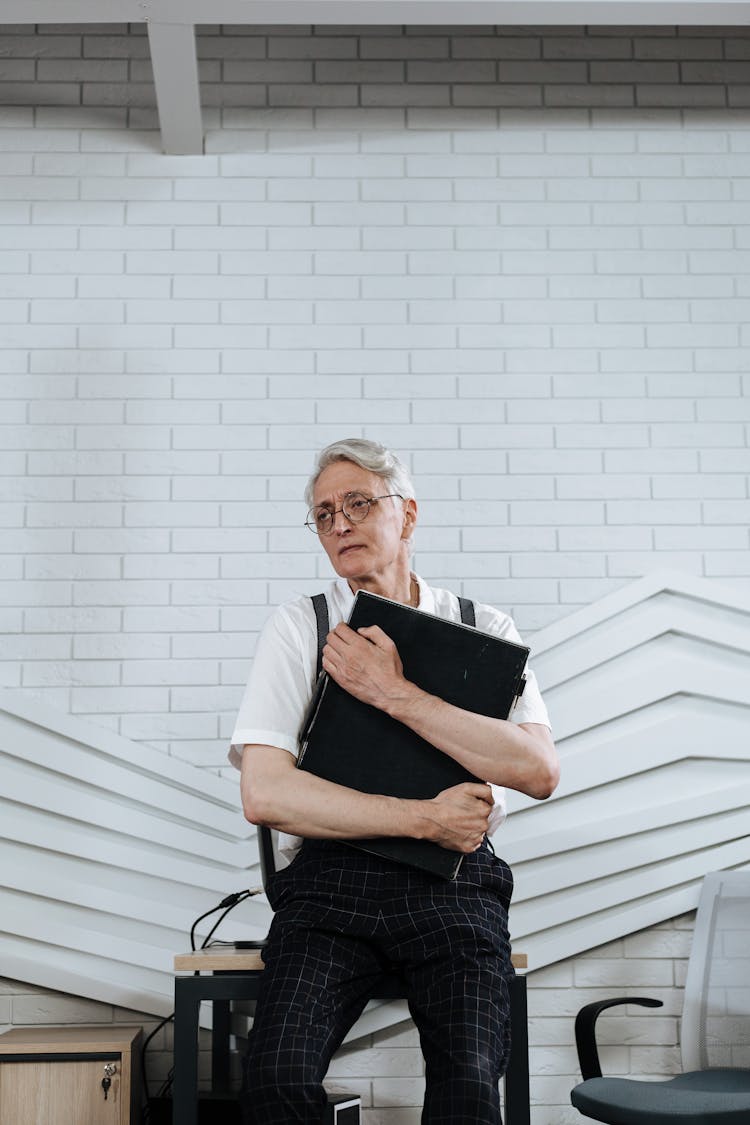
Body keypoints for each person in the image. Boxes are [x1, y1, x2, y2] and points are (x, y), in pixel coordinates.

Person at [230, 437, 559, 1125]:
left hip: (455, 892)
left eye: (357, 503)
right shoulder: (301, 626)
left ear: (407, 515)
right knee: (274, 1080)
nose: (340, 523)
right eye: (323, 514)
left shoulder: (483, 628)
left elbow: (536, 769)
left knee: (469, 1087)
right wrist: (422, 817)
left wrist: (393, 691)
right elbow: (265, 793)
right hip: (328, 895)